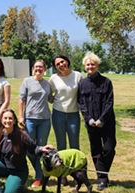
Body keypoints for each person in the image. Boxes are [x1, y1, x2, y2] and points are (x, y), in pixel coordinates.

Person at [0, 109, 54, 193]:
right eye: (5, 118)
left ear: (14, 120)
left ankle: (17, 184)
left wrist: (42, 149)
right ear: (1, 120)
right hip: (6, 168)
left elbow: (33, 149)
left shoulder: (22, 134)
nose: (7, 121)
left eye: (10, 118)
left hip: (19, 171)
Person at [78, 51, 116, 191]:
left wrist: (101, 120)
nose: (90, 66)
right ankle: (102, 179)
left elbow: (109, 102)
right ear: (84, 66)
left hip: (107, 122)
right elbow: (81, 103)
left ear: (98, 65)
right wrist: (89, 120)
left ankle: (103, 174)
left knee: (109, 149)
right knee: (96, 150)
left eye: (93, 64)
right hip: (91, 124)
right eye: (88, 64)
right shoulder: (82, 83)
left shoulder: (106, 82)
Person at [49, 55, 83, 185]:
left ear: (67, 61)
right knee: (61, 146)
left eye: (62, 62)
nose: (61, 65)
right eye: (57, 64)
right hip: (58, 114)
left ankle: (77, 175)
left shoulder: (78, 76)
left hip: (74, 114)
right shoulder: (53, 78)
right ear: (55, 67)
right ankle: (63, 174)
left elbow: (83, 92)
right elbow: (49, 94)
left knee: (75, 147)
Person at [18, 60, 52, 188]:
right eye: (36, 67)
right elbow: (21, 99)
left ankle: (38, 176)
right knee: (29, 149)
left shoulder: (47, 84)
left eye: (41, 67)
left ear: (45, 69)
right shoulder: (27, 81)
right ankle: (40, 172)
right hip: (29, 119)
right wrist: (21, 116)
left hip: (45, 120)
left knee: (41, 148)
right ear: (33, 68)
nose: (38, 69)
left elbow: (51, 99)